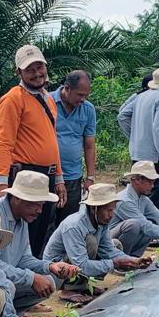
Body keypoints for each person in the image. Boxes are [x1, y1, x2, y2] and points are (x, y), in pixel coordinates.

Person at [0, 45, 67, 256]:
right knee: (21, 233)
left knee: (41, 230)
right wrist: (1, 183)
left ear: (46, 66)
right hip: (25, 174)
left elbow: (52, 139)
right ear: (19, 72)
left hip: (47, 175)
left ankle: (34, 279)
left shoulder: (48, 98)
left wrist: (59, 178)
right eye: (29, 70)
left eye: (39, 67)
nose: (37, 73)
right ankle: (19, 283)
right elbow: (4, 142)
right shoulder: (13, 99)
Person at [0, 170, 80, 308]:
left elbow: (24, 258)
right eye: (36, 204)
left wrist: (50, 266)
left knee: (49, 281)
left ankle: (10, 315)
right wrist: (31, 278)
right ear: (17, 198)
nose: (40, 211)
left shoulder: (22, 219)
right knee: (8, 287)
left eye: (42, 205)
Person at [44, 183, 151, 292]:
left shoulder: (101, 222)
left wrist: (134, 261)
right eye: (108, 210)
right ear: (93, 209)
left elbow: (109, 250)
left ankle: (84, 285)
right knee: (91, 242)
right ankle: (71, 289)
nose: (112, 215)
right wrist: (115, 264)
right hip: (57, 274)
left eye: (113, 210)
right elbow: (81, 264)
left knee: (115, 245)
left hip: (74, 266)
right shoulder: (73, 226)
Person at [118, 66, 159, 209]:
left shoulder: (141, 96)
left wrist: (133, 135)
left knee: (139, 189)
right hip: (152, 153)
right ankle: (152, 226)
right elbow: (158, 128)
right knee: (153, 190)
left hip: (137, 150)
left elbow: (122, 116)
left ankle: (139, 222)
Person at [50, 70, 98, 225]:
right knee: (45, 223)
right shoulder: (47, 102)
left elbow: (89, 145)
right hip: (48, 174)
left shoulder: (88, 109)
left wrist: (90, 177)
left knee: (68, 223)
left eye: (86, 95)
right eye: (79, 95)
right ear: (67, 88)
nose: (82, 99)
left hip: (72, 176)